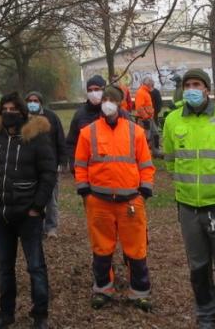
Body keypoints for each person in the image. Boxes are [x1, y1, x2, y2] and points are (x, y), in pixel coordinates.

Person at [162, 69, 215, 329]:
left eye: (196, 84)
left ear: (207, 88)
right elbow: (170, 159)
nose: (191, 88)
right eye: (187, 84)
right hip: (189, 207)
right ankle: (206, 315)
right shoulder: (173, 120)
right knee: (198, 266)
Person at [74, 86, 155, 311]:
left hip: (130, 201)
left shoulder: (135, 132)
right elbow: (80, 164)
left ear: (120, 104)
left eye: (112, 99)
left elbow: (146, 164)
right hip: (99, 201)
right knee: (101, 248)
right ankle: (102, 289)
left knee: (136, 249)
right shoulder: (87, 132)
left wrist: (144, 191)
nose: (107, 102)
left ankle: (139, 293)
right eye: (105, 98)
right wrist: (85, 191)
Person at [0, 93, 57, 329]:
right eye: (4, 108)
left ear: (22, 112)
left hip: (28, 215)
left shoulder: (36, 138)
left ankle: (40, 314)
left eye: (13, 108)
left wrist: (37, 207)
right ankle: (6, 313)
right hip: (1, 213)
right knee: (4, 267)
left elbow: (48, 174)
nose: (8, 112)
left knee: (35, 266)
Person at [25, 91, 67, 238]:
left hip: (50, 165)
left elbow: (60, 139)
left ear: (41, 102)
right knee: (32, 197)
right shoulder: (23, 118)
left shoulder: (52, 117)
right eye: (30, 100)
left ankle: (51, 228)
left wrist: (62, 161)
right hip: (29, 166)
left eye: (35, 100)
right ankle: (35, 226)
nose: (32, 103)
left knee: (51, 198)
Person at [66, 75, 107, 169]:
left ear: (104, 90)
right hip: (88, 168)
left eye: (97, 89)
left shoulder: (113, 112)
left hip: (111, 168)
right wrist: (74, 166)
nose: (93, 93)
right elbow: (71, 142)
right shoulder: (80, 114)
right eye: (90, 90)